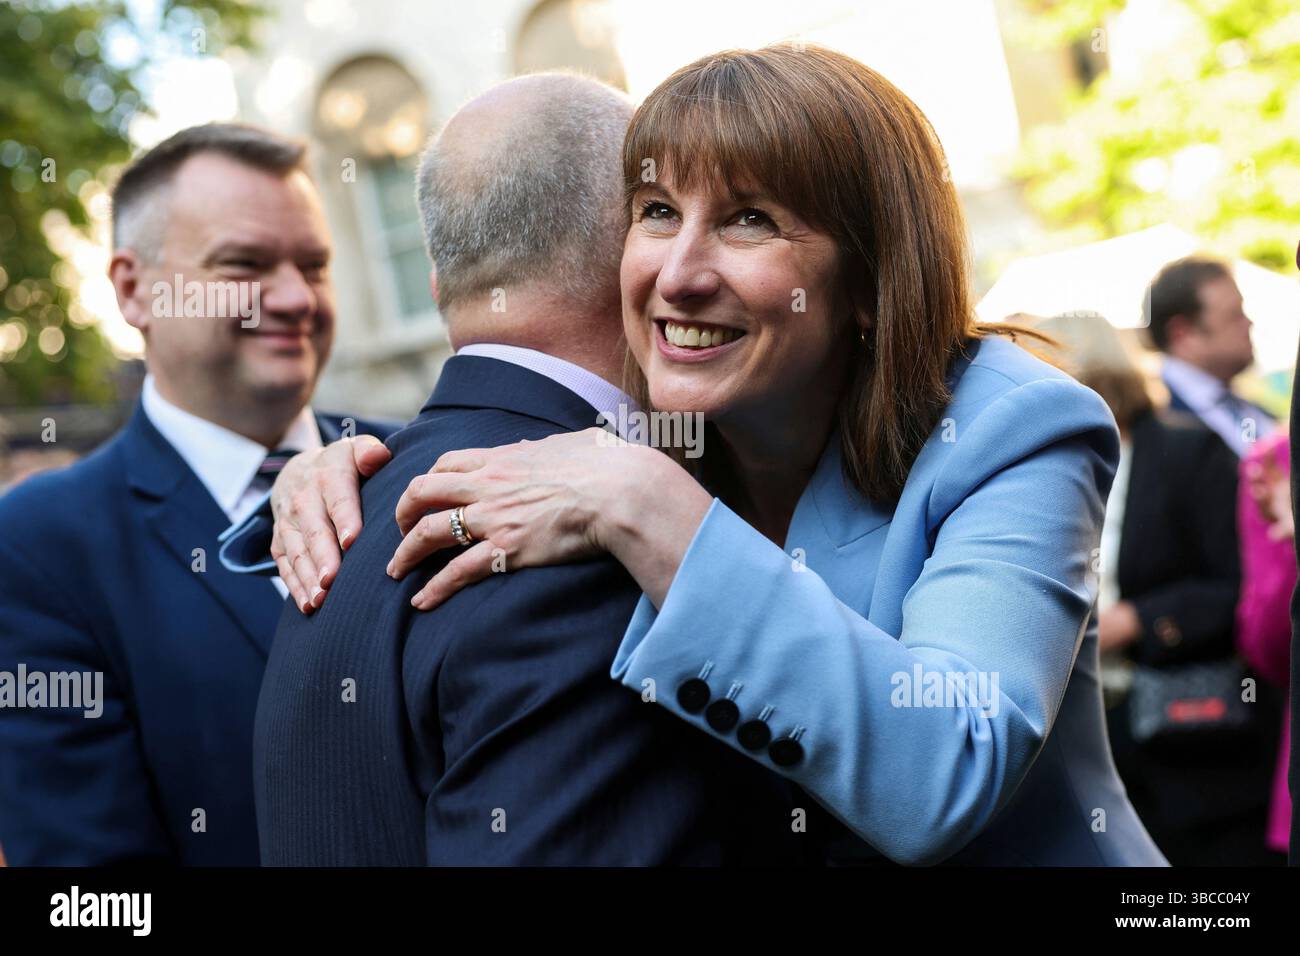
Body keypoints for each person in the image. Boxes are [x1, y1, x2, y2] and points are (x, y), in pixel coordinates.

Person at [252, 45, 1167, 865]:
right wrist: (339, 470)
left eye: (750, 222)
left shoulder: (1016, 426)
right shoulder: (670, 415)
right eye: (655, 212)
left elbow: (945, 770)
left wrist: (650, 503)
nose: (679, 273)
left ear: (870, 274)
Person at [236, 73, 816, 866]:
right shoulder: (590, 535)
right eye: (661, 215)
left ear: (442, 288)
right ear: (634, 250)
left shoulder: (342, 521)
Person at [0, 124, 394, 865]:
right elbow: (89, 895)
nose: (292, 298)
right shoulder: (39, 546)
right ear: (132, 288)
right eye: (244, 264)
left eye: (313, 265)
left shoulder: (420, 465)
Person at [1029, 313, 1279, 866]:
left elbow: (1237, 587)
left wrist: (1138, 619)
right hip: (1090, 737)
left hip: (1191, 741)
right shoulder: (1042, 468)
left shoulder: (1189, 452)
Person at [1144, 256, 1274, 457]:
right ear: (1183, 335)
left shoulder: (1246, 409)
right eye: (1234, 316)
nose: (1249, 323)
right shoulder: (1154, 421)